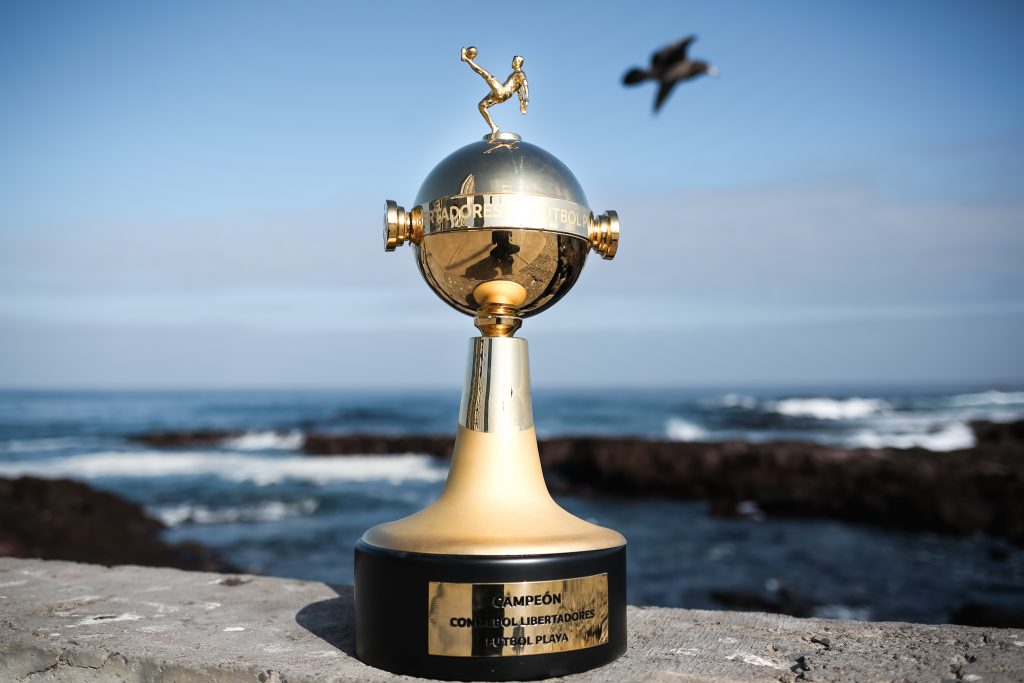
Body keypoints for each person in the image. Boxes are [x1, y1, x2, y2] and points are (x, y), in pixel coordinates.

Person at [462, 47, 528, 134]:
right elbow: (518, 90)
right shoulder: (515, 75)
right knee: (481, 105)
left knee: (487, 76)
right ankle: (494, 127)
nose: (512, 62)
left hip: (502, 92)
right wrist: (521, 102)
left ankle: (466, 59)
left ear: (518, 63)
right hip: (502, 96)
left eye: (514, 61)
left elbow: (525, 84)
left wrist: (526, 99)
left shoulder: (520, 74)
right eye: (513, 60)